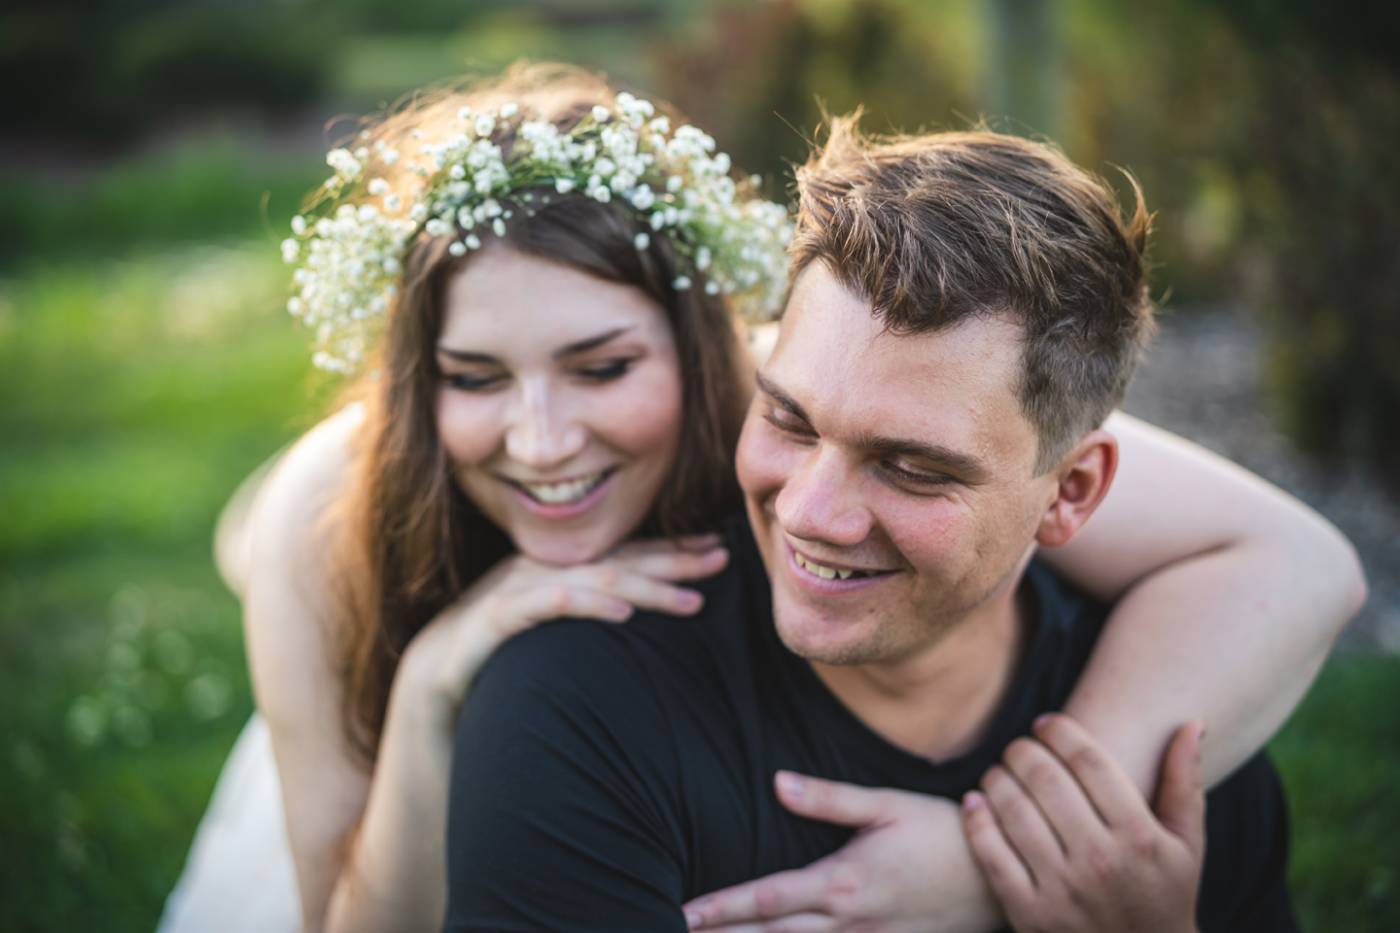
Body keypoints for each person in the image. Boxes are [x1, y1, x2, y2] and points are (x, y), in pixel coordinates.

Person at [158, 65, 1362, 933]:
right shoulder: (323, 518)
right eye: (474, 376)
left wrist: (1001, 855)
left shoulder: (819, 372)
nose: (539, 438)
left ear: (706, 348)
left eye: (602, 366)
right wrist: (432, 680)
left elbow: (1293, 564)